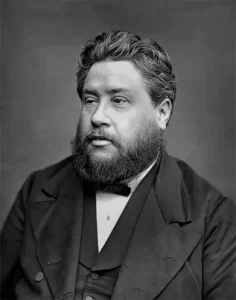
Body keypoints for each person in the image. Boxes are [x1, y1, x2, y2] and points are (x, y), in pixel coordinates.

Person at [1, 30, 236, 300]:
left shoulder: (214, 217)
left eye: (118, 100)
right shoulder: (38, 189)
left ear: (162, 112)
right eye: (90, 100)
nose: (98, 116)